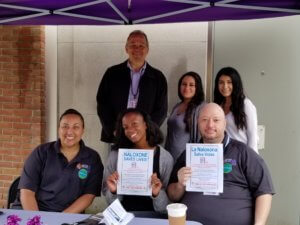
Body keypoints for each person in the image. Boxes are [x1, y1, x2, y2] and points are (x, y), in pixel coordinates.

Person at [167, 103, 274, 225]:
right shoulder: (189, 154)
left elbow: (264, 190)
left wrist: (259, 224)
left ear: (225, 124)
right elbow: (172, 196)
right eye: (204, 120)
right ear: (198, 123)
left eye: (216, 120)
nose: (210, 125)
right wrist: (180, 185)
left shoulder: (243, 152)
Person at [14, 109, 104, 213]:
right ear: (58, 129)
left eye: (76, 127)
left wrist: (61, 219)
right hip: (33, 212)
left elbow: (89, 195)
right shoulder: (41, 152)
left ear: (83, 130)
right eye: (65, 126)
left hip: (68, 215)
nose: (69, 132)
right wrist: (36, 220)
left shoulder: (92, 158)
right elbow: (27, 191)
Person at [96, 30, 168, 146]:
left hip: (145, 140)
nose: (137, 48)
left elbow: (161, 110)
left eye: (141, 45)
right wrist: (114, 130)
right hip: (117, 137)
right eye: (133, 45)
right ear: (126, 48)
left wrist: (147, 131)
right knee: (115, 164)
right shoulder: (112, 73)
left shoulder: (158, 77)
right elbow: (102, 104)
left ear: (147, 49)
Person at [102, 108, 173, 212]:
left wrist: (157, 193)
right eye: (125, 127)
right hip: (123, 218)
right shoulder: (115, 156)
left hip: (154, 219)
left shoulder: (165, 158)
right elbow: (109, 201)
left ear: (146, 125)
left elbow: (167, 205)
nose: (130, 130)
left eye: (135, 124)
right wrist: (113, 191)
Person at [214, 67, 258, 153]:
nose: (225, 86)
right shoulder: (218, 105)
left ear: (236, 84)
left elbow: (252, 136)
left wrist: (251, 160)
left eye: (229, 82)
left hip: (241, 154)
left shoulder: (245, 104)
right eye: (221, 82)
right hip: (222, 154)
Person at [165, 71, 205, 161]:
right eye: (184, 84)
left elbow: (201, 138)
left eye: (191, 85)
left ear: (197, 88)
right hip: (170, 156)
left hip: (186, 158)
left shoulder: (201, 108)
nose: (187, 87)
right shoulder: (176, 106)